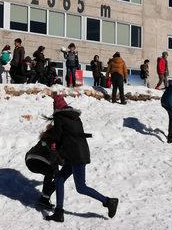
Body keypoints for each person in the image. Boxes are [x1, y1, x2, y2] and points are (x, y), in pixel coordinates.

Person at [45, 94, 118, 222]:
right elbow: (69, 135)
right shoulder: (75, 117)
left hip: (75, 156)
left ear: (56, 106)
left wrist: (51, 145)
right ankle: (59, 211)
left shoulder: (59, 117)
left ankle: (108, 201)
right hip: (79, 153)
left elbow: (57, 137)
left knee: (81, 187)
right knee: (59, 179)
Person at [25, 123, 62, 209]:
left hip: (29, 160)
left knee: (50, 172)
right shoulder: (55, 140)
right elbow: (55, 156)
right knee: (57, 174)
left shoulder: (45, 137)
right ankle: (45, 198)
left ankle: (45, 198)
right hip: (39, 161)